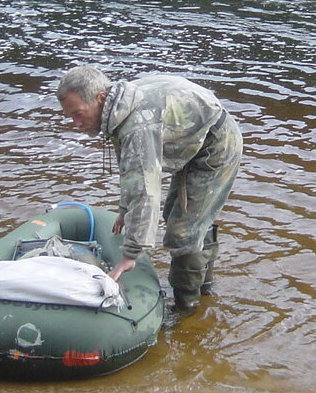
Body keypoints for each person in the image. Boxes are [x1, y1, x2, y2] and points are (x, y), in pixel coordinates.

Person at [56, 66, 242, 314]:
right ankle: (204, 287)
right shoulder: (117, 107)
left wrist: (130, 255)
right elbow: (130, 169)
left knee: (182, 231)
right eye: (70, 117)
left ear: (100, 98)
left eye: (78, 114)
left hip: (215, 146)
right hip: (191, 137)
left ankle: (188, 308)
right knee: (179, 216)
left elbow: (146, 191)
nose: (75, 124)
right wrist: (124, 209)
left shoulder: (137, 125)